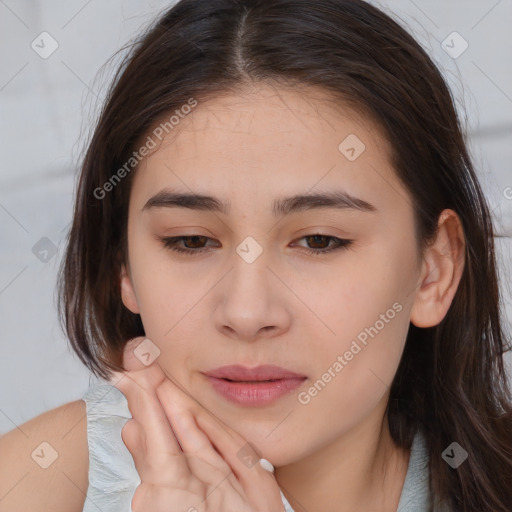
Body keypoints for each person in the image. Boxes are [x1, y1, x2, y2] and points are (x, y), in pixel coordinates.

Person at [1, 0, 511, 511]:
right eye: (191, 241)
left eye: (319, 241)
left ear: (433, 272)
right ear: (123, 266)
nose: (247, 314)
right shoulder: (33, 484)